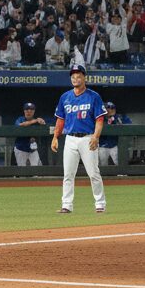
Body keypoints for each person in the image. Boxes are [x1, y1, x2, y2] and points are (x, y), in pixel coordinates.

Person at [51, 63, 107, 214]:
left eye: (78, 75)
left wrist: (96, 137)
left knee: (93, 173)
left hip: (87, 138)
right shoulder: (65, 97)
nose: (75, 78)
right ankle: (66, 205)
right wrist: (56, 137)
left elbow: (100, 119)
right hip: (70, 139)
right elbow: (60, 119)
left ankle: (100, 203)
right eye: (73, 76)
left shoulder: (93, 96)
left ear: (84, 77)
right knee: (68, 174)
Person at [98, 101, 131, 167]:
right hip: (103, 145)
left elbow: (129, 124)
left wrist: (116, 119)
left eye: (112, 108)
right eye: (108, 108)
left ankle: (122, 175)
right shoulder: (100, 118)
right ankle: (104, 176)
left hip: (115, 144)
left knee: (119, 162)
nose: (110, 110)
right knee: (102, 164)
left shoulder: (119, 117)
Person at [13, 102, 47, 166]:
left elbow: (45, 128)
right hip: (20, 148)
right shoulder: (20, 119)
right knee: (22, 171)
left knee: (36, 171)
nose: (29, 111)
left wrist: (43, 123)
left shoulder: (38, 121)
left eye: (31, 110)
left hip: (33, 150)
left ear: (34, 111)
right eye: (27, 109)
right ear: (24, 111)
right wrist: (35, 121)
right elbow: (19, 125)